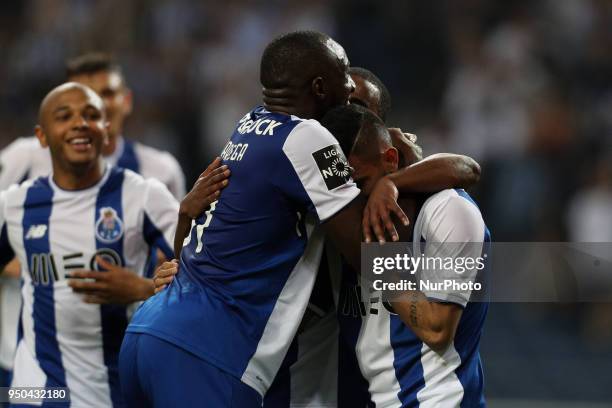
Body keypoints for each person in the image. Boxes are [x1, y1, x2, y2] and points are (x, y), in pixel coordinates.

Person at [0, 53, 186, 386]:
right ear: (44, 132)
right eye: (69, 108)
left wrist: (145, 286)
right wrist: (27, 260)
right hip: (24, 375)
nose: (81, 120)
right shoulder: (21, 172)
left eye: (98, 102)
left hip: (122, 369)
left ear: (122, 104)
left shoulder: (154, 179)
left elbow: (189, 261)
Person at [322, 104, 490, 407]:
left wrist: (379, 258)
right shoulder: (342, 219)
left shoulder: (448, 211)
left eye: (361, 185)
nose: (357, 199)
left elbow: (437, 328)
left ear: (390, 158)